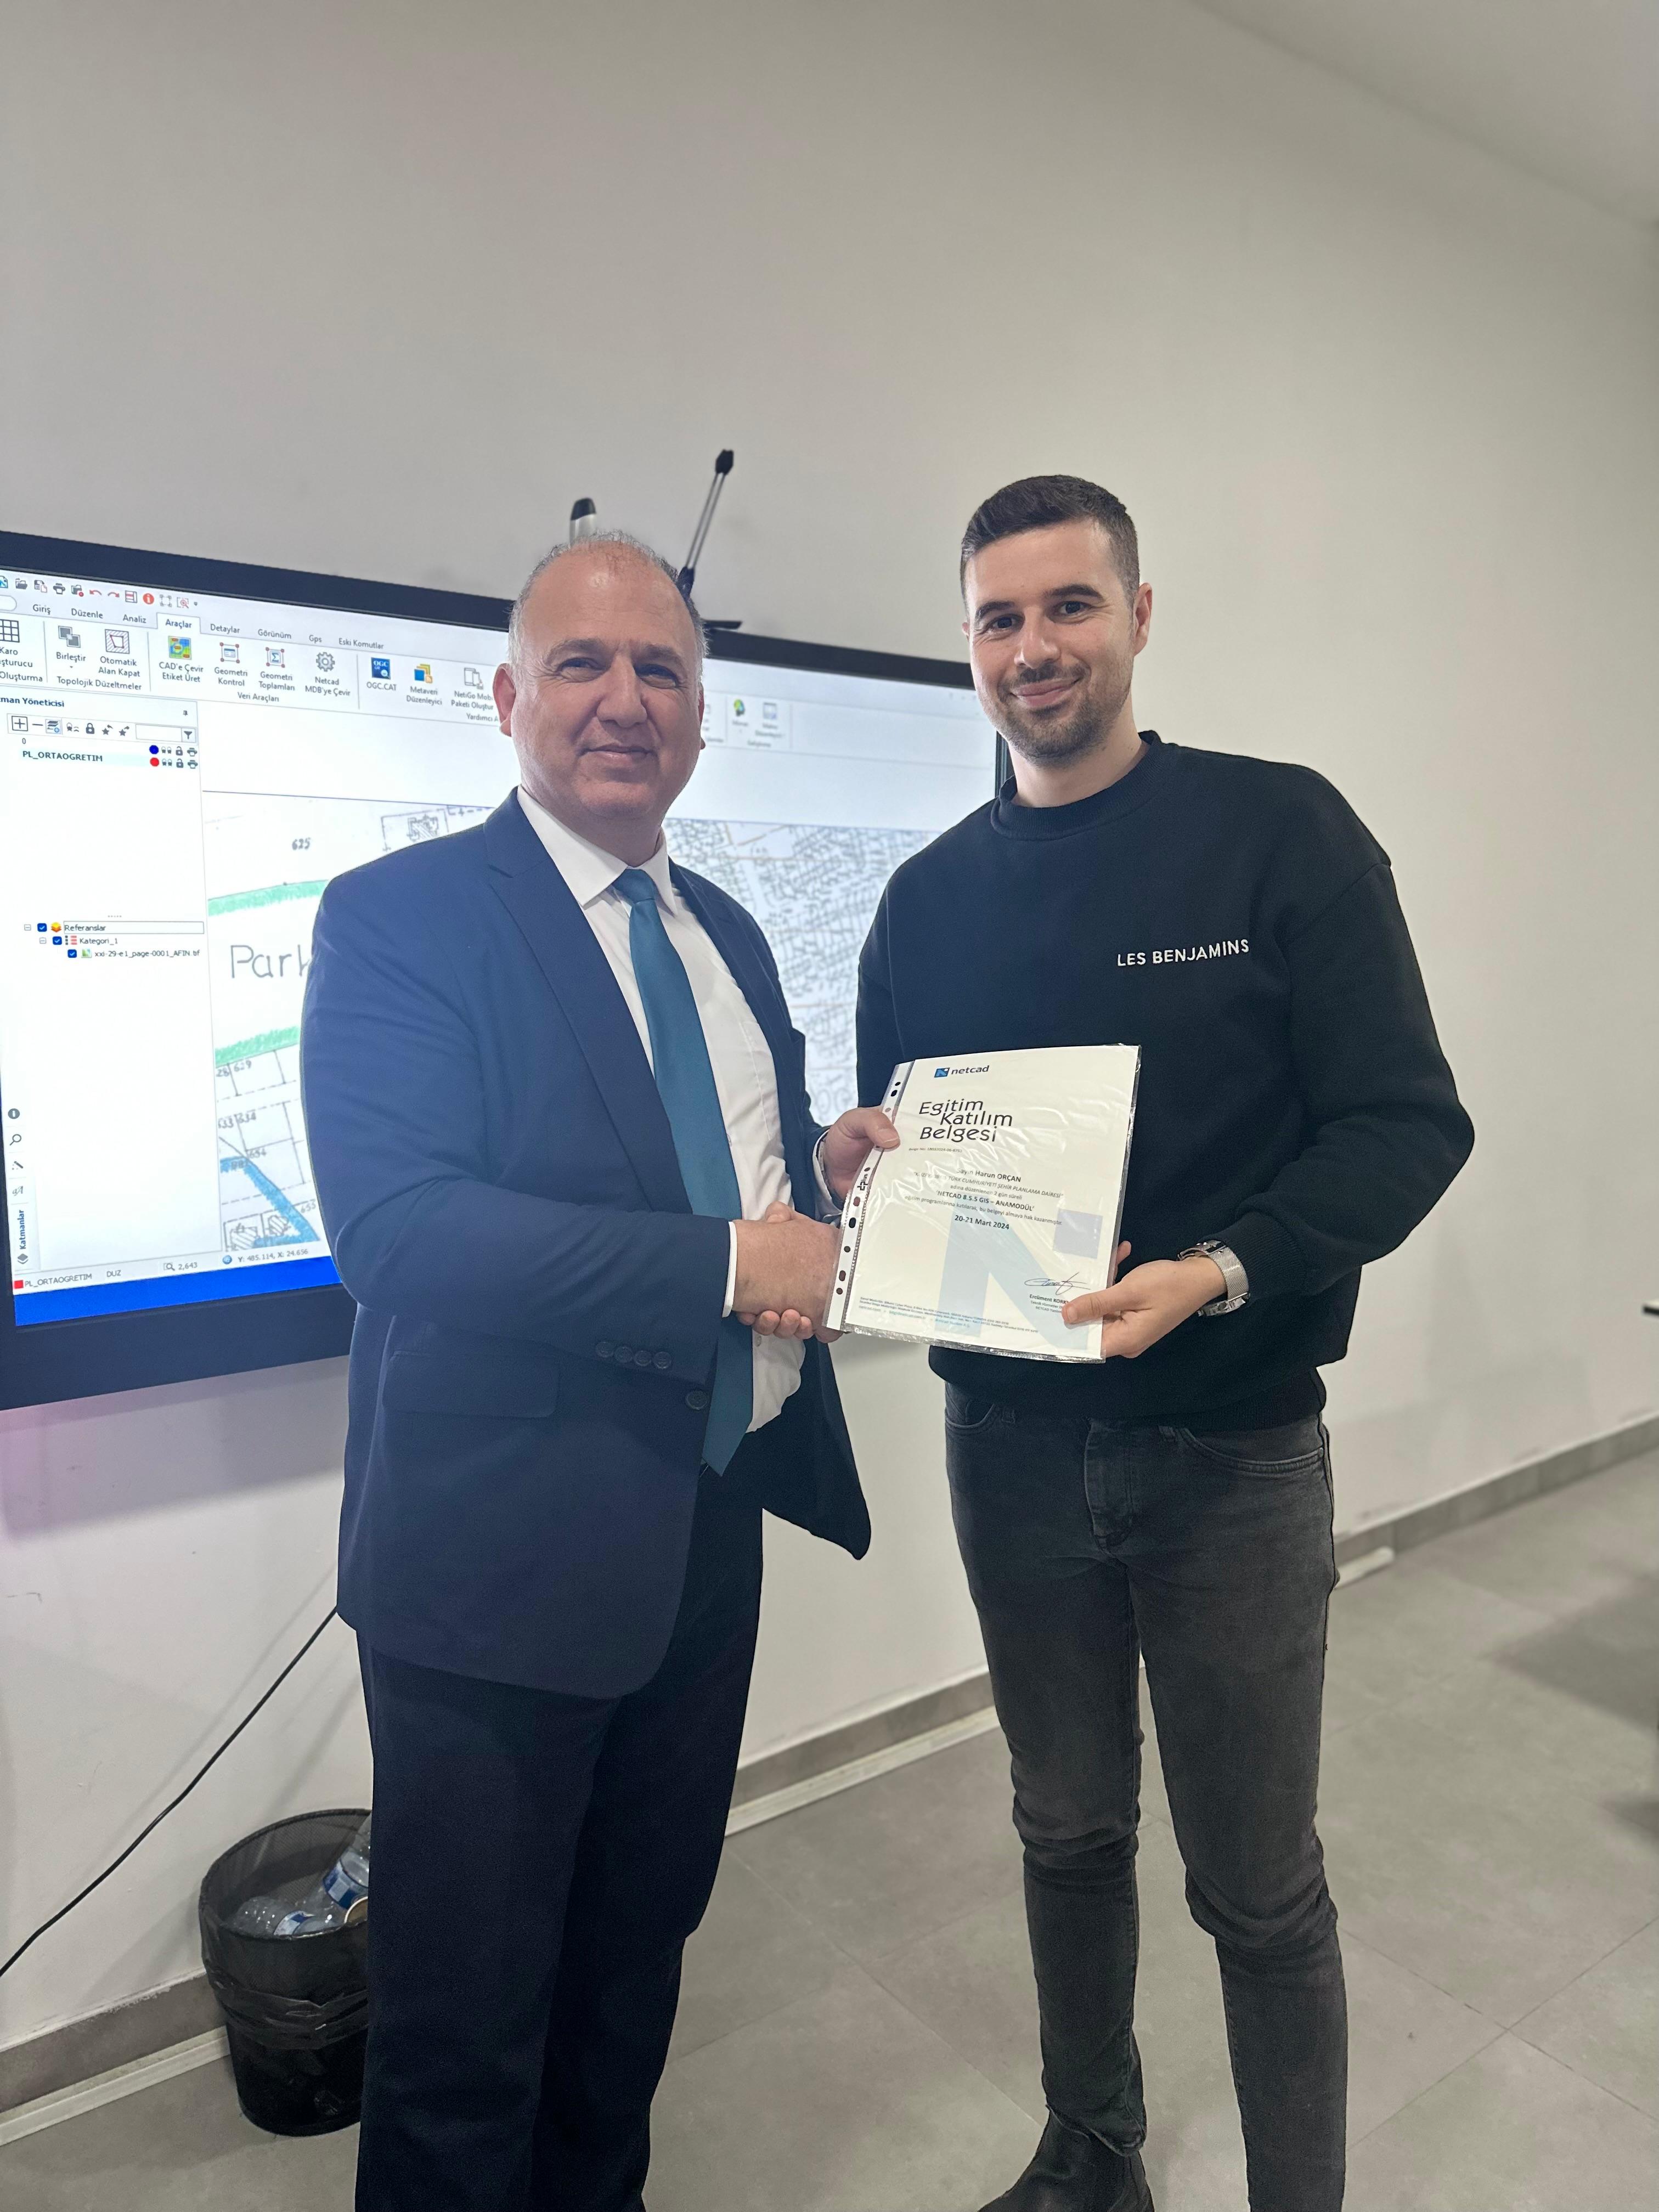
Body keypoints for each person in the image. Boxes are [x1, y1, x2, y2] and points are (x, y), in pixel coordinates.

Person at [856, 476, 1474, 2212]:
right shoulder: (923, 900)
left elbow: (1408, 1125)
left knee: (1258, 1887)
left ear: (1139, 614)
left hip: (1235, 1447)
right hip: (1011, 1448)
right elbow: (909, 1146)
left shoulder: (1282, 834)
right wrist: (862, 1175)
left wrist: (1220, 1269)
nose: (1033, 647)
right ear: (969, 644)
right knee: (1064, 1828)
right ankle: (1093, 2152)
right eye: (998, 617)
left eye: (1069, 605)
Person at [300, 532, 894, 2212]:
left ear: (701, 715)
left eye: (662, 671)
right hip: (494, 1582)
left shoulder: (730, 936)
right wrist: (736, 1267)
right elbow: (402, 1230)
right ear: (509, 697)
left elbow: (729, 1183)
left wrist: (831, 1183)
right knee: (463, 2042)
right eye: (583, 663)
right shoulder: (401, 919)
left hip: (705, 1542)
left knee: (629, 1987)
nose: (625, 700)